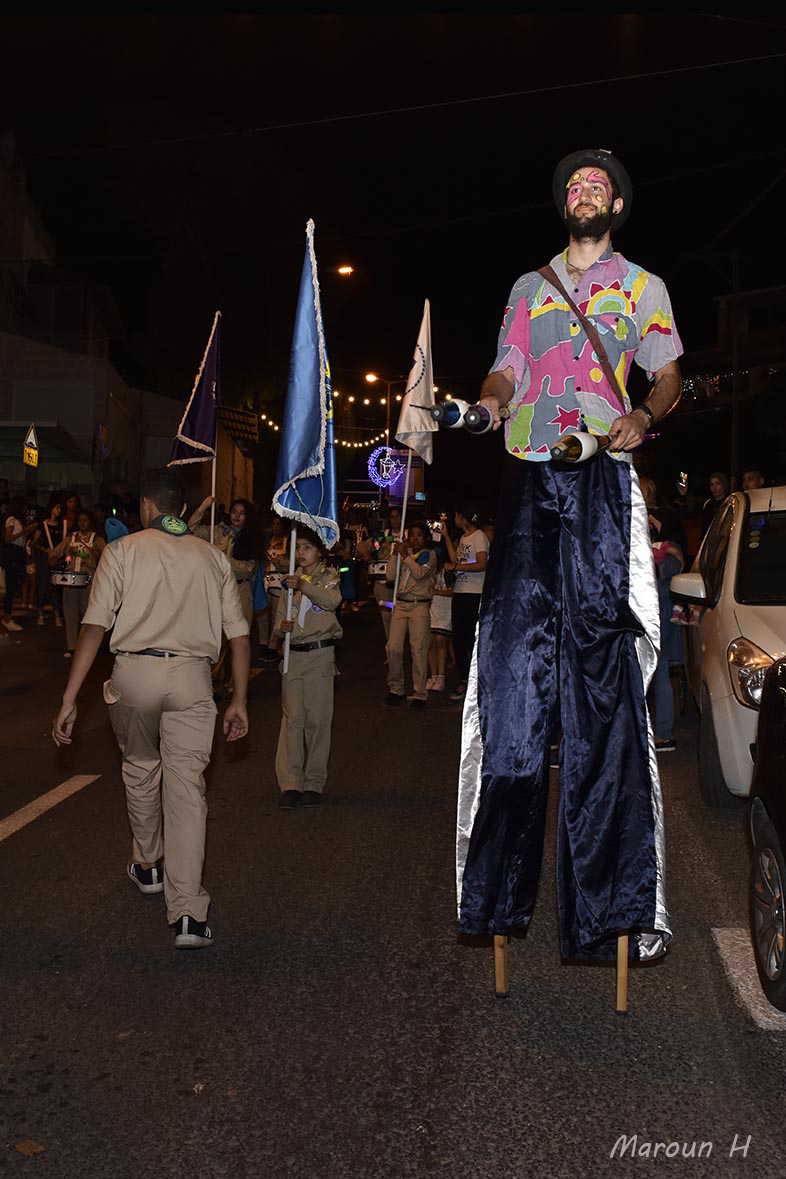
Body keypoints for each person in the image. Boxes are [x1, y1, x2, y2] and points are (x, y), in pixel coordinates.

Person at [456, 148, 682, 964]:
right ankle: (496, 895)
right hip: (526, 471)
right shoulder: (527, 287)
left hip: (597, 472)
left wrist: (642, 420)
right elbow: (507, 367)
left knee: (599, 676)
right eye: (573, 187)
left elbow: (669, 375)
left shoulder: (642, 285)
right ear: (566, 206)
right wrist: (486, 403)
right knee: (513, 669)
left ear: (616, 204)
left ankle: (614, 903)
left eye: (598, 186)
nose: (584, 194)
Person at [52, 467, 250, 950]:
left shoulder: (121, 551)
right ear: (183, 510)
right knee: (186, 790)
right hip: (192, 679)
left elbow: (94, 628)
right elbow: (240, 634)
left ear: (145, 507)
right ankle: (187, 915)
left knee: (141, 767)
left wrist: (69, 698)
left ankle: (148, 864)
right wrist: (240, 700)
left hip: (134, 674)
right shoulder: (213, 557)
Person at [273, 525, 342, 810]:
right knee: (293, 719)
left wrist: (304, 585)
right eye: (298, 547)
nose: (301, 553)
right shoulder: (289, 581)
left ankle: (314, 782)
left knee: (317, 720)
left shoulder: (329, 577)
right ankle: (291, 783)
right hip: (293, 655)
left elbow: (332, 601)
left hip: (319, 655)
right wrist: (281, 627)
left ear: (319, 551)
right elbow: (279, 621)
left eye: (307, 548)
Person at [383, 521, 437, 710]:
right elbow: (390, 576)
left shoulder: (428, 556)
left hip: (419, 606)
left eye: (419, 535)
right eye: (412, 534)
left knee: (418, 650)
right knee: (393, 648)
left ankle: (420, 693)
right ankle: (396, 689)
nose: (414, 538)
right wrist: (395, 555)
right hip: (401, 605)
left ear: (426, 538)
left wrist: (405, 556)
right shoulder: (404, 555)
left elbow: (420, 573)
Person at [442, 503, 489, 702]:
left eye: (455, 515)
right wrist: (446, 538)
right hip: (460, 593)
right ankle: (464, 679)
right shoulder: (463, 538)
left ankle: (476, 683)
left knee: (471, 639)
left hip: (474, 594)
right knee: (460, 640)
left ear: (462, 516)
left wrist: (456, 566)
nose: (454, 519)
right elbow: (456, 559)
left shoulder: (480, 536)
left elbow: (481, 564)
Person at [48, 509, 106, 658]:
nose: (82, 523)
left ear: (91, 522)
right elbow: (55, 552)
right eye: (80, 520)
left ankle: (86, 646)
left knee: (87, 615)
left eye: (85, 520)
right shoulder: (71, 538)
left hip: (89, 581)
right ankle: (72, 647)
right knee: (70, 614)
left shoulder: (97, 540)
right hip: (70, 581)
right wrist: (53, 558)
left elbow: (107, 558)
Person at [2, 496, 40, 631]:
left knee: (14, 584)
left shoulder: (17, 520)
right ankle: (7, 617)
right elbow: (7, 538)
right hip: (12, 552)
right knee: (11, 585)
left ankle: (8, 615)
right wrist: (25, 531)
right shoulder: (11, 520)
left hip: (18, 552)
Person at [427, 537, 454, 693]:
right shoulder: (428, 568)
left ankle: (441, 677)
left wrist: (437, 591)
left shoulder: (447, 570)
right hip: (430, 608)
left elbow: (454, 591)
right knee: (430, 643)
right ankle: (433, 675)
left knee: (440, 641)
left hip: (444, 609)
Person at [34, 499, 66, 626]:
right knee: (42, 586)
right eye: (57, 507)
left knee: (54, 587)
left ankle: (56, 615)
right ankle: (40, 614)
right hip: (44, 558)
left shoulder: (62, 525)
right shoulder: (43, 525)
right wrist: (44, 549)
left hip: (57, 558)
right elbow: (34, 543)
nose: (59, 510)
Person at [700, 472, 729, 537]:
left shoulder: (729, 502)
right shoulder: (708, 504)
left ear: (724, 485)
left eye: (717, 483)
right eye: (712, 485)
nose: (714, 487)